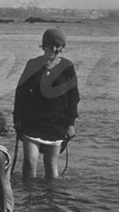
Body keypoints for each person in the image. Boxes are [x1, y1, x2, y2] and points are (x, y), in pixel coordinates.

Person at [13, 28, 79, 178]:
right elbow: (20, 92)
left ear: (62, 47)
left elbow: (74, 97)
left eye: (58, 46)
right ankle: (29, 193)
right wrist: (17, 118)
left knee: (51, 166)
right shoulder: (32, 64)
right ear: (43, 45)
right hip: (32, 122)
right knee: (29, 164)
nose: (54, 49)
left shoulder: (68, 67)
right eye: (50, 45)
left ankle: (51, 193)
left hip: (56, 124)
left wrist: (71, 124)